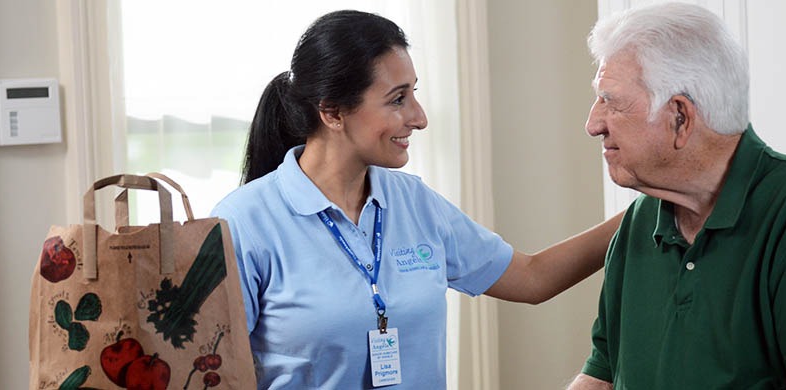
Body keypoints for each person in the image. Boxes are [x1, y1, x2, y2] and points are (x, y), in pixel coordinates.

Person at [211, 10, 621, 389]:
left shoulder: (414, 202)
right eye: (397, 99)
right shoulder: (243, 223)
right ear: (332, 113)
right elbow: (211, 374)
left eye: (414, 94)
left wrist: (642, 212)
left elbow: (532, 278)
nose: (419, 117)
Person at [566, 3, 786, 389]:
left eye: (612, 101)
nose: (593, 124)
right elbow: (603, 373)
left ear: (680, 117)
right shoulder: (641, 222)